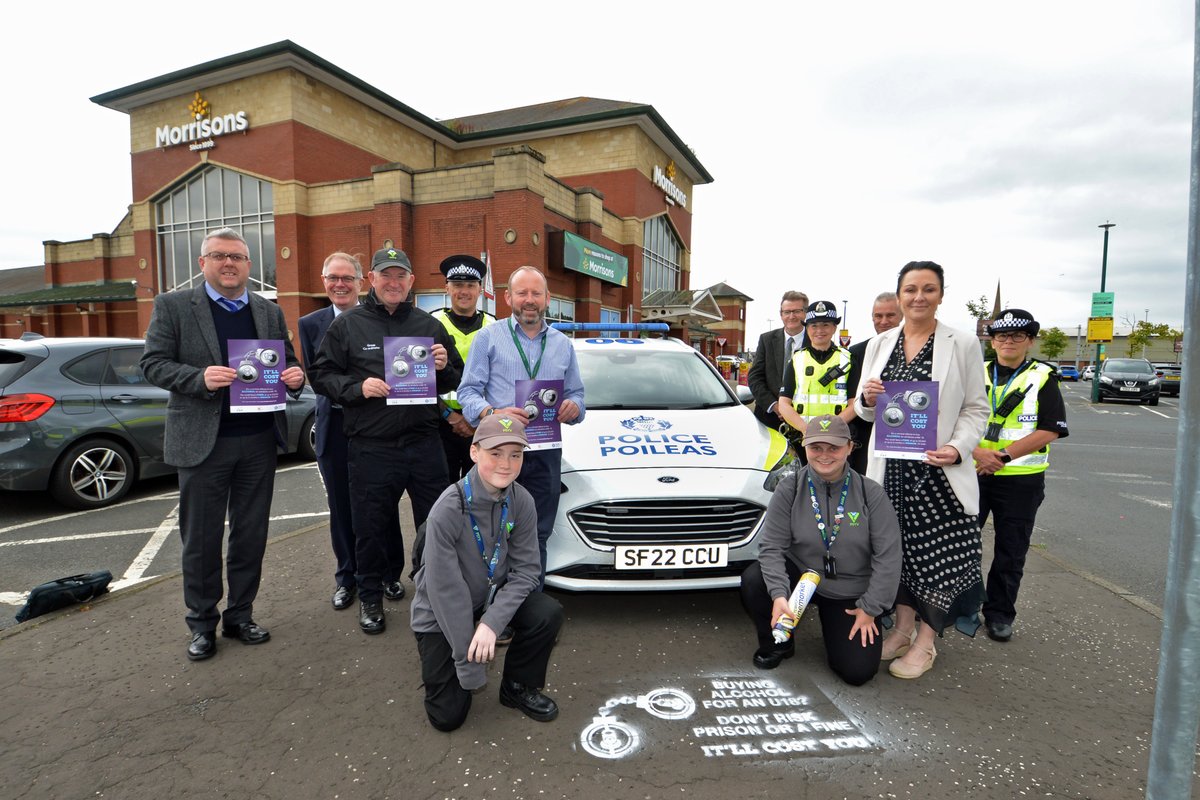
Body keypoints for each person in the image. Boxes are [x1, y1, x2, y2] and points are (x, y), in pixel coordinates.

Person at [141, 227, 305, 662]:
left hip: (256, 441)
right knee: (201, 538)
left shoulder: (267, 310)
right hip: (203, 443)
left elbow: (285, 361)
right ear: (203, 263)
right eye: (219, 256)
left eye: (237, 257)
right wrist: (199, 378)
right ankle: (201, 623)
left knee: (251, 534)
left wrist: (296, 377)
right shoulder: (174, 306)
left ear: (249, 265)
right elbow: (153, 364)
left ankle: (240, 614)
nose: (229, 263)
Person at [309, 246, 462, 636]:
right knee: (370, 525)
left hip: (424, 441)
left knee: (435, 523)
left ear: (411, 282)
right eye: (386, 275)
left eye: (401, 276)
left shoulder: (428, 325)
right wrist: (357, 387)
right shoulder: (348, 325)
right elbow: (322, 375)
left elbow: (454, 379)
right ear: (372, 280)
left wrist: (445, 367)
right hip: (371, 445)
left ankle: (433, 592)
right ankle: (371, 598)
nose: (393, 283)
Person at [855, 261, 989, 679]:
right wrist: (868, 398)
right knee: (898, 554)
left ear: (941, 295)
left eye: (928, 289)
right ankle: (902, 629)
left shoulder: (962, 343)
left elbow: (975, 409)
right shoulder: (879, 345)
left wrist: (957, 447)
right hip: (892, 470)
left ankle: (927, 643)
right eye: (910, 289)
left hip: (938, 473)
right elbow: (865, 410)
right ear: (898, 296)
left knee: (937, 558)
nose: (918, 297)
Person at [410, 414, 564, 731]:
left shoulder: (522, 501)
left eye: (515, 454)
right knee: (448, 717)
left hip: (488, 599)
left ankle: (517, 687)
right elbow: (445, 591)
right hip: (441, 611)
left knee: (546, 612)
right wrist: (469, 667)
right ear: (474, 452)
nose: (506, 464)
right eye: (495, 453)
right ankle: (445, 656)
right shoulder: (448, 508)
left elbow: (526, 573)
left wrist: (492, 622)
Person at [739, 415, 901, 686]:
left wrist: (870, 608)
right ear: (805, 447)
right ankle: (779, 641)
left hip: (849, 588)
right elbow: (771, 547)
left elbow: (889, 556)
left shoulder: (871, 492)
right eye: (816, 447)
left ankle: (837, 626)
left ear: (849, 447)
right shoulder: (790, 487)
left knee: (857, 672)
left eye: (834, 447)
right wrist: (779, 595)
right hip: (803, 578)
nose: (824, 455)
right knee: (755, 579)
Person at [457, 266, 585, 585]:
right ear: (508, 297)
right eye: (522, 293)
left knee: (537, 535)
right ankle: (492, 608)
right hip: (499, 453)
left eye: (536, 293)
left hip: (544, 454)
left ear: (548, 299)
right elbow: (467, 391)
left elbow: (578, 394)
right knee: (491, 535)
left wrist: (574, 407)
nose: (529, 300)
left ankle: (530, 608)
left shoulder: (562, 344)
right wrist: (494, 413)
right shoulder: (488, 337)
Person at [300, 253, 405, 611]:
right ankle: (347, 577)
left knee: (382, 503)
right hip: (335, 428)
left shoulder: (380, 318)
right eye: (333, 278)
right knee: (341, 506)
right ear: (323, 280)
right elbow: (318, 376)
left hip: (378, 426)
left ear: (362, 282)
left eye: (347, 278)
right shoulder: (310, 323)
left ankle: (390, 573)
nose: (339, 284)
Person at [973, 309, 1068, 642]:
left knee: (1010, 550)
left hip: (1020, 479)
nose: (1008, 342)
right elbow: (953, 418)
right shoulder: (977, 372)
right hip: (974, 471)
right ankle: (966, 604)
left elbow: (1050, 429)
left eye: (1016, 336)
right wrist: (976, 453)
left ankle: (999, 613)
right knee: (965, 543)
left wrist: (1002, 456)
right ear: (992, 341)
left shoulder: (1043, 376)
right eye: (1001, 336)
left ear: (1029, 341)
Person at [432, 255, 496, 480]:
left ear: (480, 289)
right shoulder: (431, 323)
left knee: (481, 494)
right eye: (458, 285)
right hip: (441, 424)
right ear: (447, 288)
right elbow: (419, 383)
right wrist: (450, 415)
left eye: (470, 285)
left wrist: (473, 418)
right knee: (442, 495)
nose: (464, 291)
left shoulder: (495, 326)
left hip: (482, 424)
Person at [776, 300, 856, 461]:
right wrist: (806, 430)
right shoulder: (797, 359)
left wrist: (831, 428)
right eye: (814, 325)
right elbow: (784, 404)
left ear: (834, 327)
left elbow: (855, 404)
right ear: (807, 328)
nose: (819, 330)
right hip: (802, 438)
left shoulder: (848, 359)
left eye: (826, 325)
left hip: (837, 439)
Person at [847, 292, 902, 474]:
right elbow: (853, 398)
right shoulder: (856, 352)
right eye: (878, 316)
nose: (884, 321)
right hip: (866, 436)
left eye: (890, 315)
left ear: (902, 315)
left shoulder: (917, 349)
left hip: (906, 436)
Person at [748, 291, 808, 429]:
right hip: (769, 418)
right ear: (781, 314)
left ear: (805, 313)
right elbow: (755, 377)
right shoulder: (766, 339)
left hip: (804, 418)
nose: (791, 316)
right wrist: (775, 406)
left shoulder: (814, 342)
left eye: (797, 311)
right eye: (787, 312)